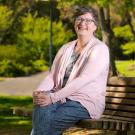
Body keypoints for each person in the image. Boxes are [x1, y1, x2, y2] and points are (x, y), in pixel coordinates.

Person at [31, 6, 110, 135]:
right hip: (60, 98)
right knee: (41, 105)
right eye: (79, 19)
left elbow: (84, 79)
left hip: (84, 102)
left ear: (95, 26)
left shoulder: (100, 49)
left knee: (47, 123)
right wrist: (39, 92)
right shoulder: (66, 48)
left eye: (88, 21)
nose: (82, 23)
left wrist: (52, 98)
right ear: (74, 23)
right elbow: (52, 77)